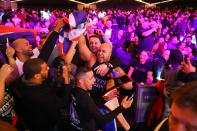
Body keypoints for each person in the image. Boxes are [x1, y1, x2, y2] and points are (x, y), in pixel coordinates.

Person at [12, 58, 72, 131]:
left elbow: (48, 87)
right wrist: (66, 80)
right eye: (45, 69)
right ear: (37, 76)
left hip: (34, 117)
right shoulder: (40, 95)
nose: (48, 68)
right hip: (46, 124)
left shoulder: (23, 79)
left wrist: (57, 78)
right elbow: (63, 103)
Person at [70, 66, 133, 131]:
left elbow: (90, 106)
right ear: (81, 81)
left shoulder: (75, 90)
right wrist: (122, 107)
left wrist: (105, 99)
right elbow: (101, 120)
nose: (94, 80)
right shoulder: (84, 97)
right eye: (91, 78)